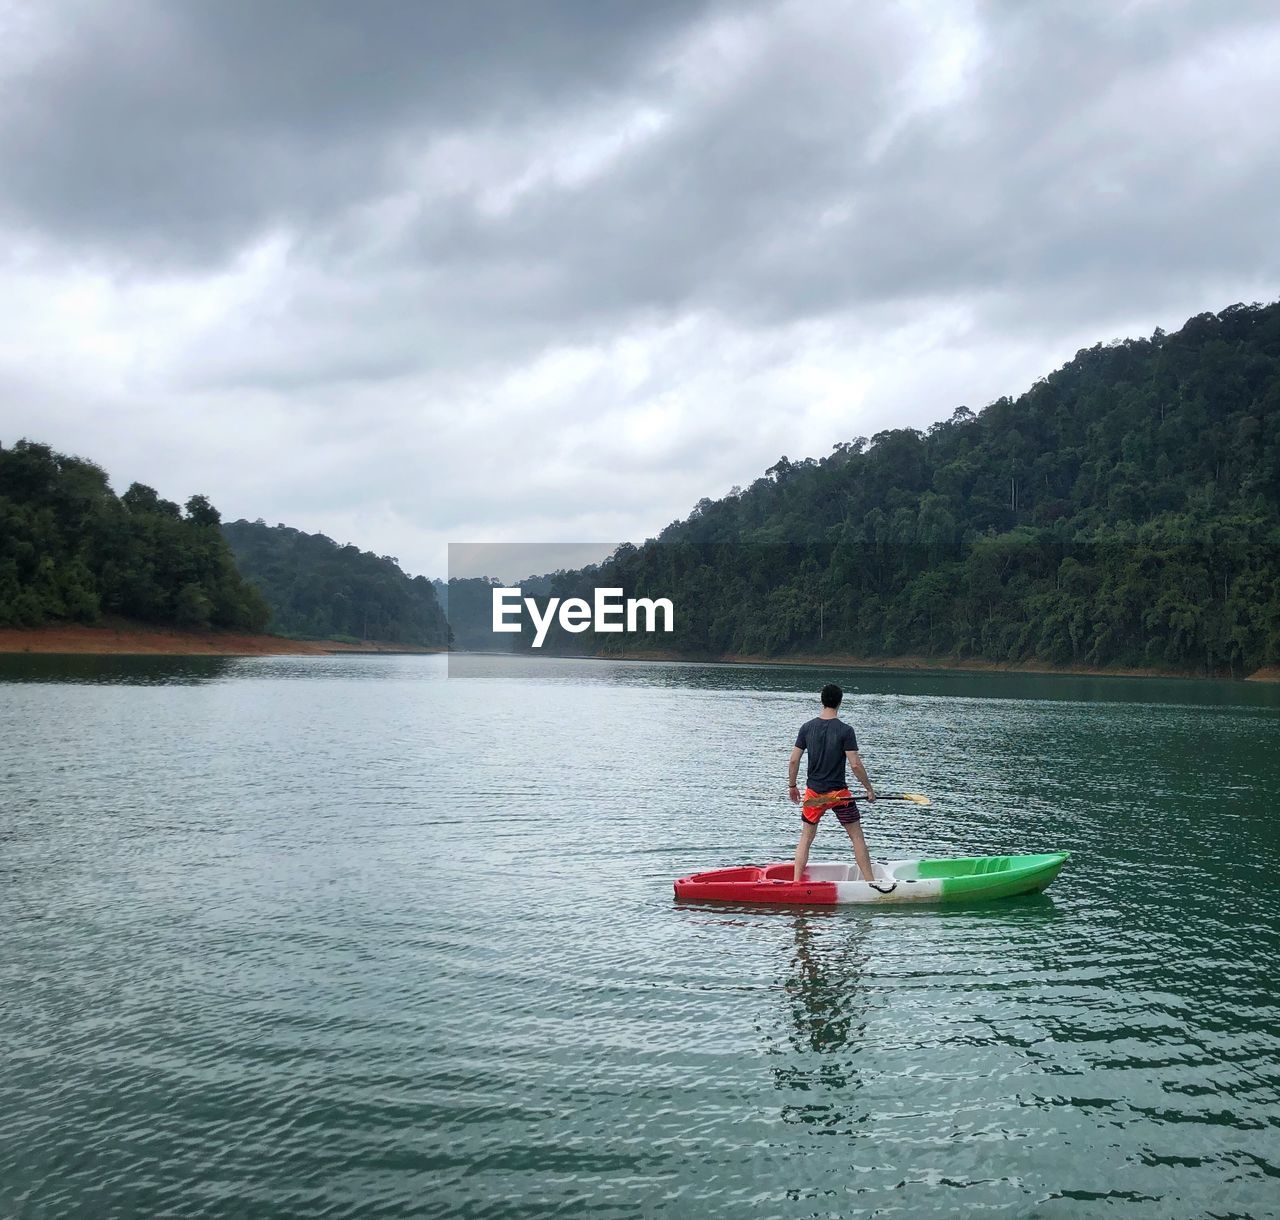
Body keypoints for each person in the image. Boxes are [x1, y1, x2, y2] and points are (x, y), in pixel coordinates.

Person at [787, 682, 896, 892]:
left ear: (822, 700)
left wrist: (792, 786)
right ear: (839, 702)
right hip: (839, 795)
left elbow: (793, 760)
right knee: (856, 836)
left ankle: (796, 883)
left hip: (814, 795)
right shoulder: (846, 730)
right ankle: (870, 883)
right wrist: (869, 790)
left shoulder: (807, 728)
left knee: (806, 838)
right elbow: (855, 764)